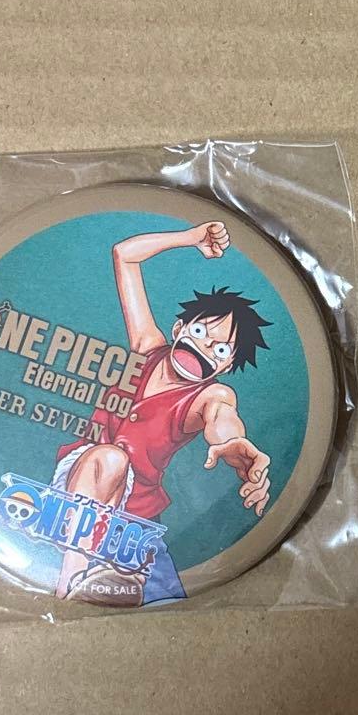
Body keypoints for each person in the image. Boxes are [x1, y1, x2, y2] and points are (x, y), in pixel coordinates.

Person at [52, 221, 272, 603]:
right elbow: (124, 254)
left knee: (169, 602)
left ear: (225, 366)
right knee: (109, 457)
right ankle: (72, 576)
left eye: (221, 350)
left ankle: (114, 574)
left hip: (137, 517)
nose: (206, 347)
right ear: (179, 328)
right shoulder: (146, 348)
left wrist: (233, 441)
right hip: (83, 485)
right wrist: (190, 238)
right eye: (202, 332)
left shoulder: (209, 394)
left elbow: (221, 414)